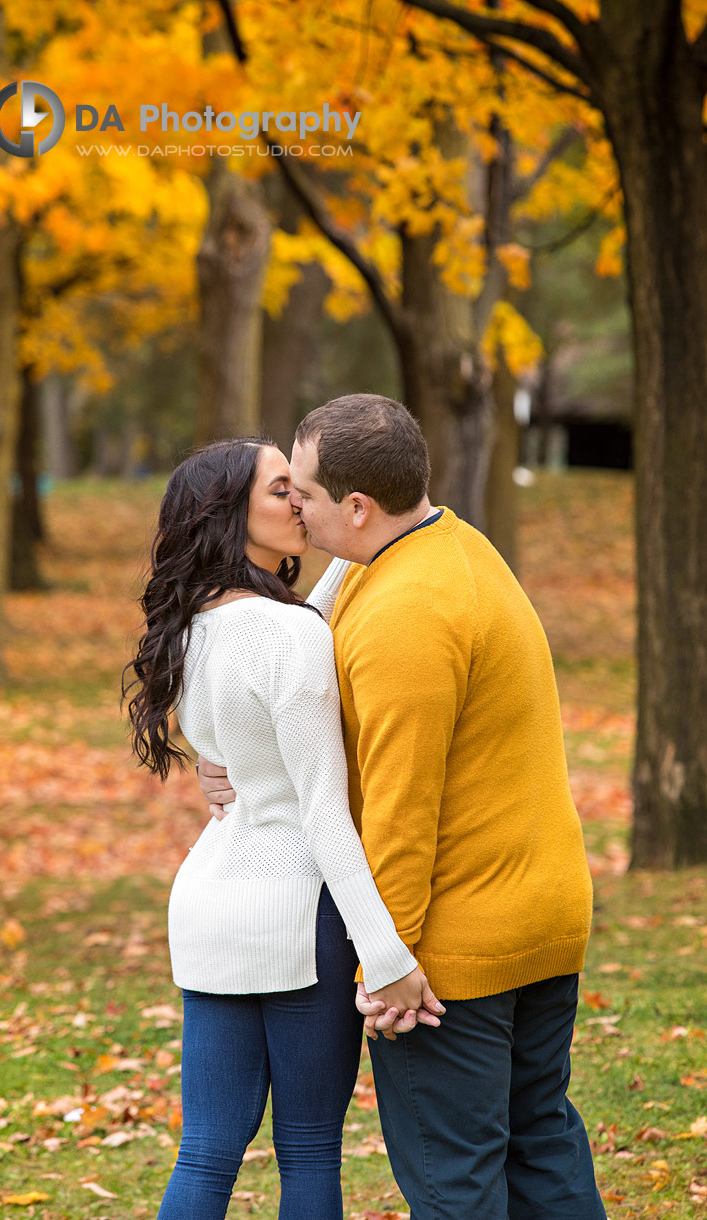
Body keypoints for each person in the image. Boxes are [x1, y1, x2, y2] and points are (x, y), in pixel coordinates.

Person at [198, 395, 608, 1220]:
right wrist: (229, 741)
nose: (294, 512)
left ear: (355, 506)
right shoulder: (444, 545)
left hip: (452, 950)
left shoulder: (403, 617)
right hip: (542, 909)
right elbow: (306, 628)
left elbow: (398, 810)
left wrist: (387, 968)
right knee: (540, 1143)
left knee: (454, 1180)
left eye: (303, 494)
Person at [121, 436, 443, 1220]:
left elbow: (294, 631)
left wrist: (351, 549)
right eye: (280, 490)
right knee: (306, 1150)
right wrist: (388, 956)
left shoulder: (192, 627)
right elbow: (323, 816)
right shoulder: (286, 636)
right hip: (298, 910)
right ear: (232, 516)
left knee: (205, 1150)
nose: (300, 499)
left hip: (211, 899)